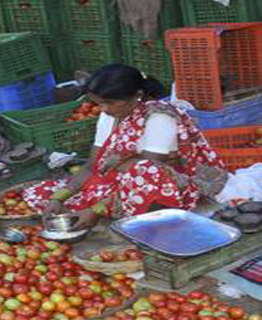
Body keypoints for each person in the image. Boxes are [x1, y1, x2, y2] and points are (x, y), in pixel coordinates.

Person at [24, 64, 226, 229]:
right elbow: (92, 166)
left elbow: (148, 173)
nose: (104, 109)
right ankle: (109, 207)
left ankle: (118, 210)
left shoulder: (159, 117)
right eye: (98, 103)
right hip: (117, 182)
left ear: (137, 95)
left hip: (161, 185)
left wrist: (96, 210)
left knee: (144, 171)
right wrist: (59, 197)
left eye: (110, 103)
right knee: (39, 193)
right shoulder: (108, 116)